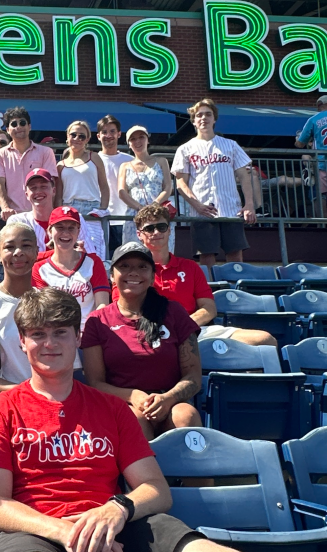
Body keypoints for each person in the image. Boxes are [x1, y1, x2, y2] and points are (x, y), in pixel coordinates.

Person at [0, 287, 234, 552]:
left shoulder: (113, 408)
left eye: (60, 332)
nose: (50, 343)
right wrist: (66, 531)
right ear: (22, 341)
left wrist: (119, 508)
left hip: (113, 523)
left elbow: (156, 489)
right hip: (34, 530)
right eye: (38, 334)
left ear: (77, 337)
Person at [0, 223, 80, 431]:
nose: (18, 252)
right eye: (10, 247)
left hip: (49, 398)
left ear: (37, 251)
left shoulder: (53, 301)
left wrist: (41, 397)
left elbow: (67, 367)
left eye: (26, 245)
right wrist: (25, 394)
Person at [81, 242, 203, 440]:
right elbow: (95, 383)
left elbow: (193, 376)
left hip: (169, 400)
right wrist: (132, 396)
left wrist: (168, 398)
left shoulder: (175, 312)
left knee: (186, 416)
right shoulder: (98, 321)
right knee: (135, 421)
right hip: (123, 404)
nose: (133, 272)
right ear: (112, 276)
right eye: (125, 266)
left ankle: (189, 472)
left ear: (153, 276)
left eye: (142, 266)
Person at [116, 204, 277, 346]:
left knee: (265, 340)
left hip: (193, 329)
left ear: (169, 230)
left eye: (162, 227)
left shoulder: (190, 267)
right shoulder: (131, 272)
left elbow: (209, 308)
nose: (156, 232)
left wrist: (184, 325)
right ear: (139, 234)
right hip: (152, 332)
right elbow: (125, 311)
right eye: (150, 228)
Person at [172, 99, 256, 268]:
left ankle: (235, 293)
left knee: (235, 256)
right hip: (202, 212)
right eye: (199, 115)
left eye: (208, 114)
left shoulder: (230, 145)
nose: (204, 118)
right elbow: (181, 182)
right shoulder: (185, 149)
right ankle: (211, 292)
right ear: (194, 121)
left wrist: (249, 205)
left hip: (231, 209)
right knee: (207, 257)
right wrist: (197, 205)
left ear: (214, 119)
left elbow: (244, 176)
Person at [32, 206, 109, 331]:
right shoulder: (39, 268)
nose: (66, 233)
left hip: (89, 333)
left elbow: (102, 305)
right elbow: (43, 310)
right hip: (56, 334)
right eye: (60, 227)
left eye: (71, 228)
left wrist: (90, 333)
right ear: (49, 231)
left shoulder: (94, 262)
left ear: (78, 231)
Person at [7, 169, 100, 259]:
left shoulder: (74, 217)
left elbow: (91, 254)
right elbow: (16, 257)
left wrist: (82, 254)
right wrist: (67, 253)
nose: (38, 191)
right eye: (33, 188)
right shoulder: (17, 221)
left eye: (43, 186)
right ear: (27, 194)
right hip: (31, 274)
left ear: (54, 191)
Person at [0, 107, 58, 220]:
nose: (18, 127)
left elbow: (51, 185)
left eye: (22, 123)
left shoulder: (46, 152)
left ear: (29, 126)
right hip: (13, 217)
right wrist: (5, 208)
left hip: (41, 216)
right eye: (14, 124)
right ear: (7, 130)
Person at [119, 125, 174, 250]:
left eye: (141, 137)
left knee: (161, 251)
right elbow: (122, 192)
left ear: (148, 140)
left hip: (159, 213)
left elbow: (168, 186)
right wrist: (140, 208)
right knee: (134, 252)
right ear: (128, 144)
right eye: (133, 139)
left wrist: (155, 204)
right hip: (134, 215)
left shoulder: (161, 161)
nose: (137, 141)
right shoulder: (125, 166)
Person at [97, 115, 134, 253]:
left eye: (112, 131)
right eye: (104, 132)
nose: (108, 135)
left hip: (127, 221)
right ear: (98, 136)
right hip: (102, 222)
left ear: (119, 134)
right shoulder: (93, 160)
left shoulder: (130, 160)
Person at [58, 120, 109, 215]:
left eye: (82, 136)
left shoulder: (94, 157)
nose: (77, 138)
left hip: (92, 207)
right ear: (67, 137)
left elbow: (104, 186)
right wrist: (60, 213)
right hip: (68, 208)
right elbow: (58, 195)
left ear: (87, 139)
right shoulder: (60, 165)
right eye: (73, 135)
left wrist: (102, 209)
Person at [296, 94, 327, 212]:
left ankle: (322, 224)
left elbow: (300, 144)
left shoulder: (313, 119)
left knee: (321, 196)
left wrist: (298, 139)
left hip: (322, 163)